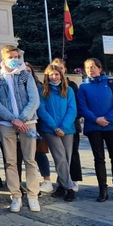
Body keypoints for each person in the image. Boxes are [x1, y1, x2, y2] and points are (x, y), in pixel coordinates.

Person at [0, 45, 41, 214]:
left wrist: (22, 118)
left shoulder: (25, 75)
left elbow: (34, 99)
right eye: (10, 57)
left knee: (30, 160)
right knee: (10, 161)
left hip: (28, 122)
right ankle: (16, 195)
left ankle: (33, 194)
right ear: (3, 58)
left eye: (16, 56)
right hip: (7, 123)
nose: (14, 59)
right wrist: (13, 119)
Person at [77, 58, 113, 203]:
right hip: (94, 127)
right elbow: (82, 107)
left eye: (93, 67)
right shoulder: (84, 87)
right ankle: (102, 190)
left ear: (100, 68)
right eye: (87, 68)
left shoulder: (111, 83)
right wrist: (96, 119)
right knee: (99, 159)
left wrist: (108, 119)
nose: (90, 70)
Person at [38, 65, 78, 202]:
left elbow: (72, 109)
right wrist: (55, 127)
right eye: (51, 75)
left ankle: (61, 186)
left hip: (67, 129)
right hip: (50, 129)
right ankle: (69, 187)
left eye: (56, 74)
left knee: (66, 158)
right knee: (60, 157)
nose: (54, 77)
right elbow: (42, 111)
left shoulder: (69, 90)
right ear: (47, 76)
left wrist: (64, 127)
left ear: (61, 75)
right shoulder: (42, 91)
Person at [51, 58, 83, 189]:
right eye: (55, 68)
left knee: (71, 154)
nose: (58, 70)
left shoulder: (71, 86)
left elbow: (74, 107)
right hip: (54, 126)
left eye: (61, 68)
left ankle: (72, 179)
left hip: (70, 125)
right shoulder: (48, 86)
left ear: (65, 70)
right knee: (60, 156)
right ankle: (63, 182)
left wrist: (66, 124)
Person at [25, 62, 54, 194]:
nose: (26, 73)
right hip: (23, 124)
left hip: (38, 124)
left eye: (29, 71)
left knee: (40, 152)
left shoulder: (39, 87)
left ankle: (47, 179)